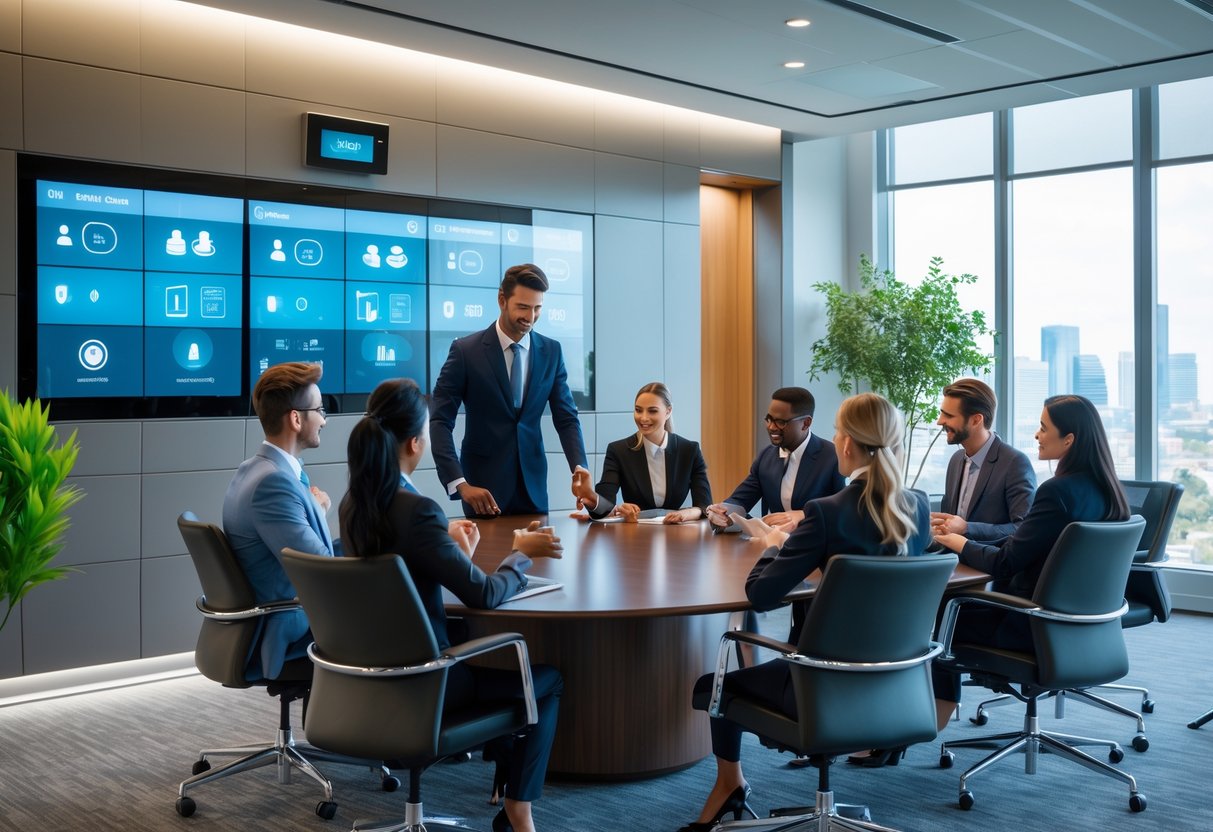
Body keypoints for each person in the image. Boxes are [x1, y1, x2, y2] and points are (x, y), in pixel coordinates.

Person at [678, 393, 931, 832]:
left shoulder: (828, 513)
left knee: (712, 685)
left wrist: (774, 547)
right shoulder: (919, 507)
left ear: (847, 443)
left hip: (821, 688)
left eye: (837, 431)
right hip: (898, 686)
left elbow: (761, 595)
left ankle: (730, 784)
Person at [340, 378, 564, 832]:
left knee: (473, 641)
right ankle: (519, 806)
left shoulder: (353, 505)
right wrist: (520, 553)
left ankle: (502, 772)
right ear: (415, 442)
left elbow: (403, 584)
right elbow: (484, 594)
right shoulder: (417, 510)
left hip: (370, 681)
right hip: (429, 684)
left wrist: (456, 554)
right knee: (547, 681)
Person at [931, 394, 1130, 730]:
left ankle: (936, 715)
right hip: (1082, 626)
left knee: (945, 609)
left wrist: (961, 543)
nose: (1037, 435)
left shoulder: (1056, 492)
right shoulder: (1109, 491)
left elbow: (1006, 563)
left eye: (1043, 427)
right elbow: (1029, 545)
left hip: (1033, 625)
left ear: (1069, 439)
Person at [430, 264, 587, 518]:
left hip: (533, 488)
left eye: (537, 308)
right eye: (523, 307)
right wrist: (460, 483)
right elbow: (439, 421)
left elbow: (567, 418)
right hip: (482, 490)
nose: (531, 317)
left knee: (540, 546)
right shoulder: (465, 352)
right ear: (502, 300)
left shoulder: (552, 352)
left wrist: (580, 467)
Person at [221, 361, 335, 681]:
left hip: (284, 611)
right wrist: (319, 511)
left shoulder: (253, 469)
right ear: (296, 419)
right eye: (320, 410)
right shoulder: (274, 483)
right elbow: (322, 570)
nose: (324, 420)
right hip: (289, 626)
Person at [705, 386, 846, 532]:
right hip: (774, 541)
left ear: (806, 423)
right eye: (769, 419)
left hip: (819, 542)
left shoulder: (832, 456)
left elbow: (843, 511)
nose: (771, 427)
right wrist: (722, 512)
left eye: (780, 422)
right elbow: (740, 500)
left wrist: (805, 514)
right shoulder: (766, 457)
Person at [570, 382, 711, 523]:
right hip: (634, 531)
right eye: (638, 410)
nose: (643, 418)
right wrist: (590, 496)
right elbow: (606, 505)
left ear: (668, 411)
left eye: (652, 411)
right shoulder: (618, 451)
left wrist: (690, 512)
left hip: (676, 532)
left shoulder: (690, 450)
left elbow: (705, 504)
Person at [929, 378, 1037, 544]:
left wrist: (967, 528)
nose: (940, 421)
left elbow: (1023, 529)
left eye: (948, 415)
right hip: (951, 556)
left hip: (990, 560)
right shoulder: (956, 460)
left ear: (976, 420)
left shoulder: (1015, 463)